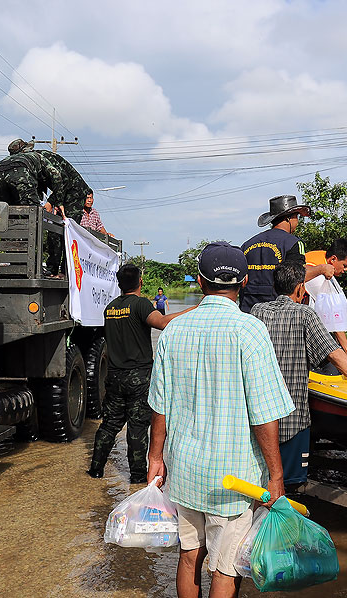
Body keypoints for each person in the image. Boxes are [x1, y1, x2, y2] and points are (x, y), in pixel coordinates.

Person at [147, 242, 294, 598]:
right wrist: (276, 476)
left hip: (184, 470)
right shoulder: (250, 330)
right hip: (235, 479)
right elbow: (264, 416)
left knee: (188, 556)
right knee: (226, 568)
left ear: (199, 281)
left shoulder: (174, 331)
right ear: (243, 282)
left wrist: (155, 458)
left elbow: (160, 407)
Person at [252, 262, 347, 489]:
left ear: (274, 287)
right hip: (292, 421)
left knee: (261, 484)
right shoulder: (305, 315)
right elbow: (336, 356)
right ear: (301, 289)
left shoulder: (257, 311)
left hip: (260, 419)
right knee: (288, 488)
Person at [87, 264, 194, 482]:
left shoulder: (110, 308)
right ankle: (136, 478)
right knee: (137, 428)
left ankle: (96, 469)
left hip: (114, 376)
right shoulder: (140, 304)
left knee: (109, 424)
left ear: (119, 284)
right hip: (139, 378)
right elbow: (163, 323)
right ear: (141, 282)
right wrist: (196, 309)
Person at [238, 195, 333, 313]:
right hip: (276, 315)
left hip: (248, 313)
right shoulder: (293, 243)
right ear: (289, 218)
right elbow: (296, 275)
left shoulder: (247, 244)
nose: (297, 222)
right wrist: (322, 269)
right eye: (297, 217)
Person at [304, 238, 347, 356]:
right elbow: (333, 316)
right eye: (344, 265)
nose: (345, 270)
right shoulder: (316, 274)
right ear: (333, 259)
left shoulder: (322, 259)